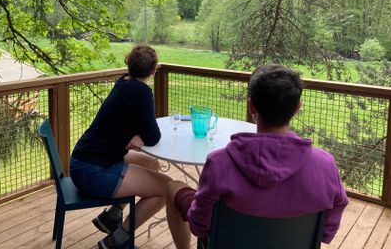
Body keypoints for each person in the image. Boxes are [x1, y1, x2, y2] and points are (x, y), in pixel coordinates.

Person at [165, 64, 348, 249]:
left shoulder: (219, 163)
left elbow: (199, 226)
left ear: (251, 106)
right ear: (297, 107)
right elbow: (327, 232)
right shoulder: (325, 165)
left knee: (173, 187)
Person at [70, 45, 171, 249]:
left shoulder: (123, 82)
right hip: (93, 172)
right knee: (167, 189)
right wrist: (142, 137)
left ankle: (112, 216)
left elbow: (143, 131)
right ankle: (118, 240)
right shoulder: (141, 92)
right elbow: (153, 136)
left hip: (83, 162)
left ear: (129, 65)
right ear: (154, 70)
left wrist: (140, 135)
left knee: (152, 163)